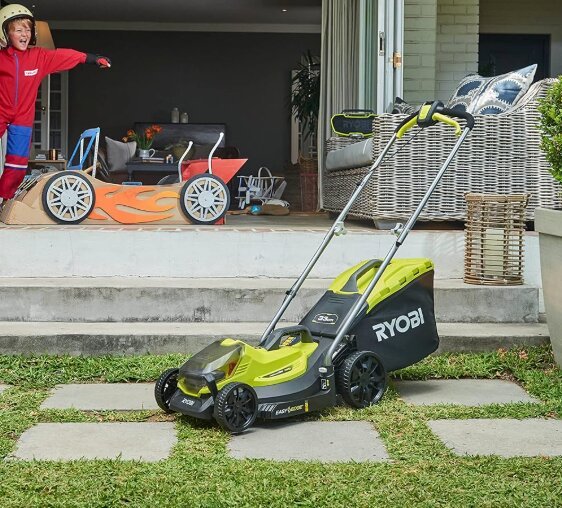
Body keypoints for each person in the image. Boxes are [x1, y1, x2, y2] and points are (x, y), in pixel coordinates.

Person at [0, 4, 111, 207]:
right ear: (5, 34)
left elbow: (63, 55)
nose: (24, 34)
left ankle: (5, 202)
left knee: (17, 165)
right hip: (0, 111)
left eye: (28, 29)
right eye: (18, 30)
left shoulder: (38, 57)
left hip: (22, 117)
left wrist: (91, 59)